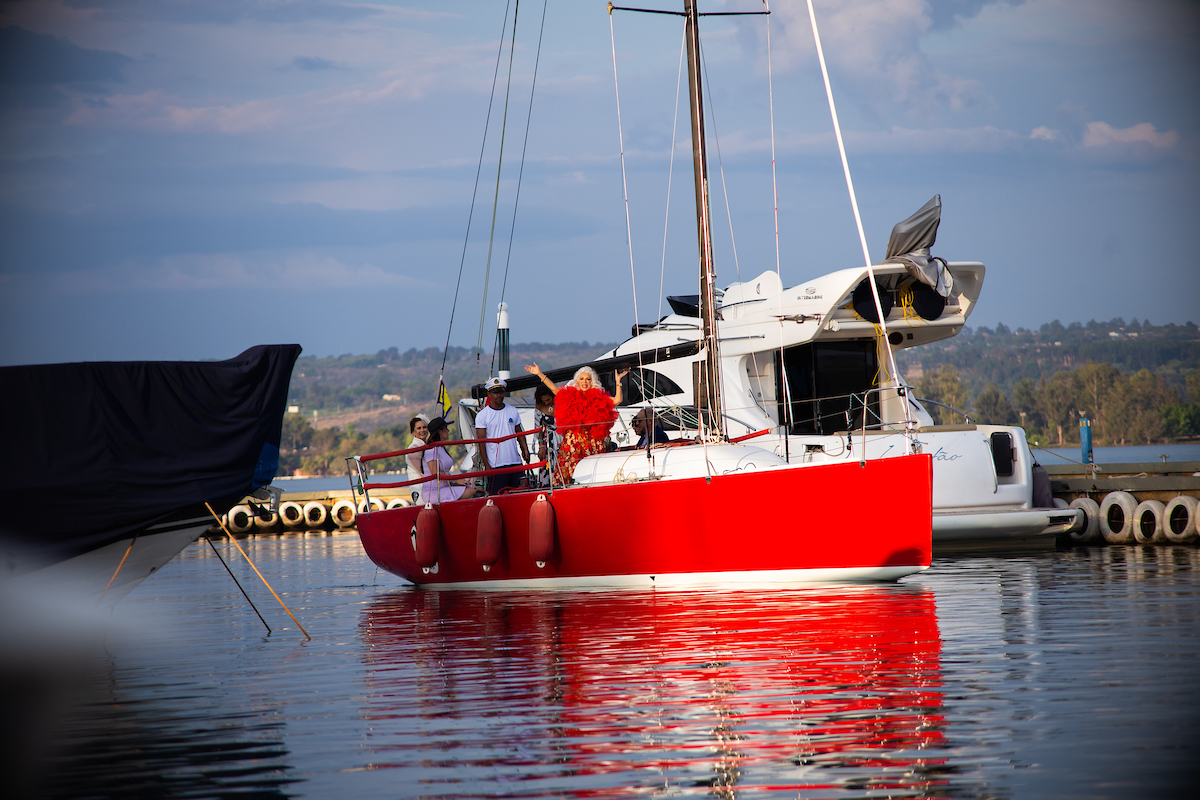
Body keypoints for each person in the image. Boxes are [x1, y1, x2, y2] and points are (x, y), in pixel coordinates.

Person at [524, 362, 627, 485]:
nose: (585, 381)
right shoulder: (570, 395)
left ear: (592, 382)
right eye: (582, 379)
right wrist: (539, 374)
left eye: (588, 379)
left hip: (592, 441)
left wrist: (618, 381)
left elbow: (617, 400)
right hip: (573, 440)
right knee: (570, 470)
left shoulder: (598, 396)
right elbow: (554, 389)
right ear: (577, 381)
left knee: (593, 470)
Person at [474, 377, 530, 495]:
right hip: (496, 465)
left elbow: (519, 432)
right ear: (489, 394)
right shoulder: (483, 415)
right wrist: (487, 465)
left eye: (501, 392)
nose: (498, 395)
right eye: (495, 392)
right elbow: (481, 442)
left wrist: (525, 449)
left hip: (515, 462)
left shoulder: (512, 410)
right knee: (498, 498)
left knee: (518, 496)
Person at [424, 417, 477, 503]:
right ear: (440, 431)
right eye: (446, 428)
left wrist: (455, 482)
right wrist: (456, 479)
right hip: (434, 491)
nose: (448, 431)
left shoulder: (441, 448)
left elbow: (445, 472)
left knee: (471, 489)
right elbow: (435, 473)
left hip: (444, 487)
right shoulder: (431, 450)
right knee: (471, 492)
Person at [532, 384, 560, 488]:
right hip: (547, 441)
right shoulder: (539, 407)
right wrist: (540, 446)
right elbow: (538, 428)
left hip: (561, 439)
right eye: (544, 401)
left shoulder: (561, 403)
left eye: (548, 399)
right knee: (547, 466)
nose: (546, 403)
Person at [405, 414, 429, 504]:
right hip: (420, 488)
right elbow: (421, 472)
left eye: (424, 427)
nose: (422, 430)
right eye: (419, 428)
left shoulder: (426, 445)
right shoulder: (413, 448)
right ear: (413, 431)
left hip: (429, 487)